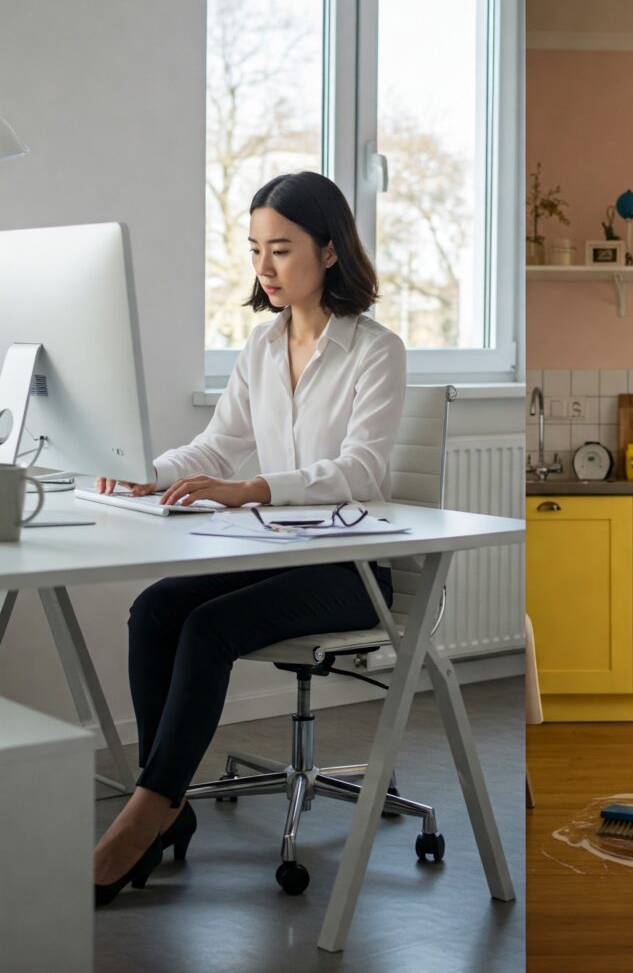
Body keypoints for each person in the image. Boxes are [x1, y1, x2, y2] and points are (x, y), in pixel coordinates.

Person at [92, 171, 406, 904]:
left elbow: (361, 469)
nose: (264, 267)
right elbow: (218, 443)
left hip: (352, 570)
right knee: (157, 608)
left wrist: (254, 488)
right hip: (280, 550)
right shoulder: (262, 348)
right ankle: (164, 798)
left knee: (210, 626)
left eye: (282, 249)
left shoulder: (375, 350)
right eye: (256, 250)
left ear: (329, 252)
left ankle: (149, 813)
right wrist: (147, 472)